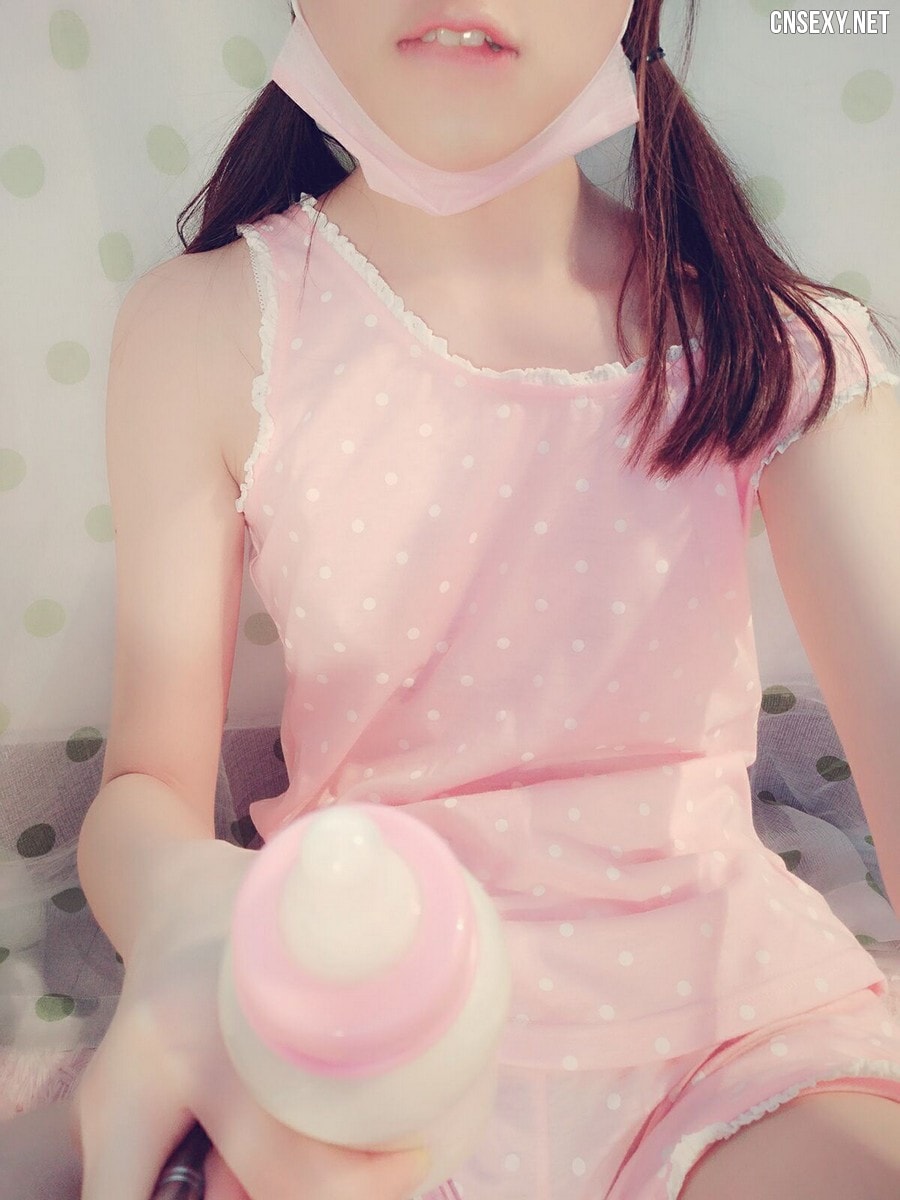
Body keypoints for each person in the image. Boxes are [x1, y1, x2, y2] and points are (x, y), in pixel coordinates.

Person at [68, 0, 900, 1197]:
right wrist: (191, 913)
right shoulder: (203, 327)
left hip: (738, 1028)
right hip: (362, 1029)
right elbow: (145, 785)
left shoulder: (770, 342)